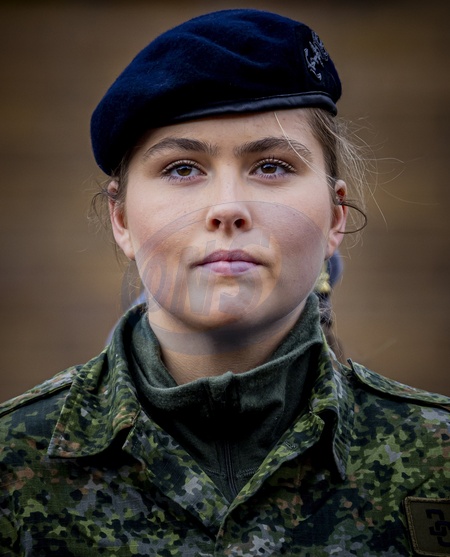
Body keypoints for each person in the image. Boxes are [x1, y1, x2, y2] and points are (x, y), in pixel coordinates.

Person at [0, 9, 449, 557]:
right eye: (182, 168)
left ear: (335, 216)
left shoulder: (438, 460)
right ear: (121, 219)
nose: (228, 208)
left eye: (272, 166)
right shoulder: (14, 462)